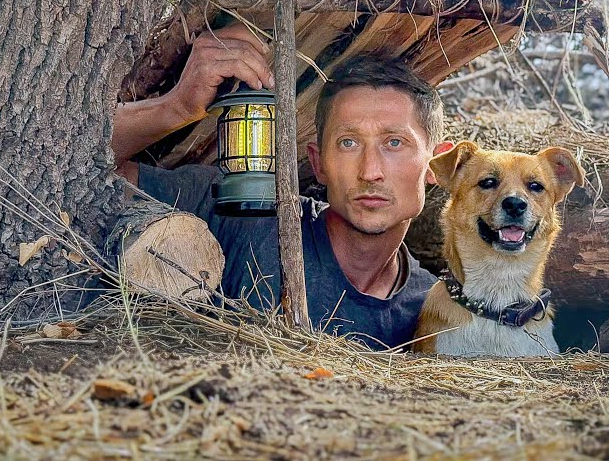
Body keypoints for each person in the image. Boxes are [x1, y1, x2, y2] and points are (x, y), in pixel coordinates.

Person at [112, 25, 452, 350]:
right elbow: (81, 171)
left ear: (435, 165)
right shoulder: (245, 211)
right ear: (318, 164)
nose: (370, 171)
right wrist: (177, 107)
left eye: (394, 143)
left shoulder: (433, 312)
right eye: (348, 143)